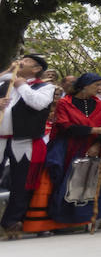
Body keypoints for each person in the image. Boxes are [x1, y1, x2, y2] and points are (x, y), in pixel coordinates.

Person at [21, 72, 101, 235]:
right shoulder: (64, 103)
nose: (99, 89)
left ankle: (77, 221)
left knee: (83, 184)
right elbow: (65, 126)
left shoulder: (99, 104)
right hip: (65, 148)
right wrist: (94, 130)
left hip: (89, 149)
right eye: (96, 85)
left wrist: (97, 143)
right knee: (58, 183)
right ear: (84, 86)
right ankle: (50, 224)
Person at [1, 54, 57, 239]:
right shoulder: (5, 82)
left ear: (36, 69)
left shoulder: (45, 87)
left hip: (23, 141)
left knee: (21, 183)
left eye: (25, 61)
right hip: (1, 139)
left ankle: (12, 221)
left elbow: (38, 104)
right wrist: (8, 73)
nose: (19, 62)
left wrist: (22, 85)